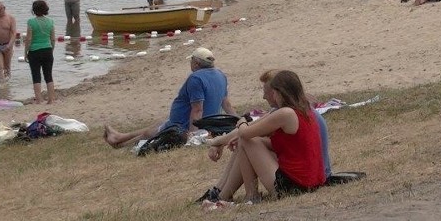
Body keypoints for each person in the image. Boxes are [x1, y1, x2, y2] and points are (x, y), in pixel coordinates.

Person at [198, 69, 333, 203]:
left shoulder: (286, 113)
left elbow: (246, 132)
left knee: (247, 141)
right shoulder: (304, 110)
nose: (266, 97)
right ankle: (226, 194)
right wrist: (225, 140)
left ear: (279, 93)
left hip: (296, 186)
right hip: (312, 180)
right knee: (250, 142)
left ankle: (241, 196)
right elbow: (287, 145)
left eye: (271, 92)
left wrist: (242, 122)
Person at [104, 47, 236, 148]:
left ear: (196, 63)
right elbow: (226, 105)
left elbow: (197, 110)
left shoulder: (196, 79)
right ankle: (120, 137)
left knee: (149, 134)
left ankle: (119, 145)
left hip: (183, 125)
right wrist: (237, 122)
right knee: (157, 125)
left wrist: (193, 135)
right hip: (205, 123)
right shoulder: (220, 75)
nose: (190, 63)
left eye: (191, 60)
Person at [24, 0, 56, 103]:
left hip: (34, 51)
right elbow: (53, 39)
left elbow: (29, 39)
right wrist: (52, 49)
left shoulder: (31, 22)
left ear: (34, 10)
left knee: (36, 75)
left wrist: (26, 52)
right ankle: (51, 99)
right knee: (48, 75)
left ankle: (39, 99)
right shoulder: (50, 21)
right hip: (47, 50)